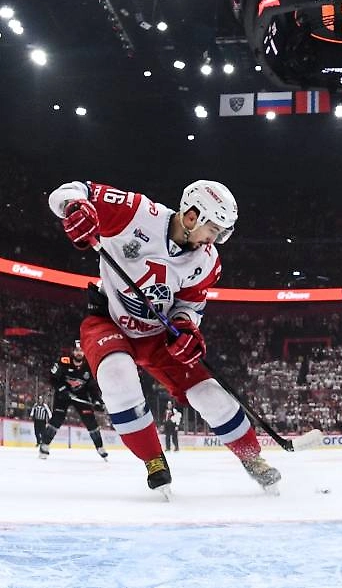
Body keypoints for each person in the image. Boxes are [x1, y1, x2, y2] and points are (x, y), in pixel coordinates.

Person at [48, 179, 281, 496]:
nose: (214, 239)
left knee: (209, 393)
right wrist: (74, 207)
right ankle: (154, 461)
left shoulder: (207, 261)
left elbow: (190, 305)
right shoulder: (135, 213)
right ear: (192, 216)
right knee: (117, 375)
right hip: (109, 320)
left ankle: (253, 459)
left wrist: (185, 327)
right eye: (213, 229)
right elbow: (70, 190)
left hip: (160, 334)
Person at [39, 340, 108, 460]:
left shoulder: (89, 366)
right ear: (73, 351)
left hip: (81, 395)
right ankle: (44, 445)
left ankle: (100, 447)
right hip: (63, 395)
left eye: (81, 350)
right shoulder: (63, 362)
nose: (79, 353)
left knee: (90, 421)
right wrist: (62, 389)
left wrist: (97, 400)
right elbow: (52, 378)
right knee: (57, 418)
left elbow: (92, 387)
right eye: (77, 350)